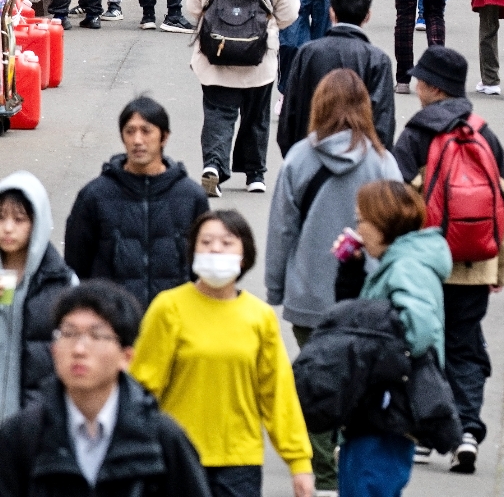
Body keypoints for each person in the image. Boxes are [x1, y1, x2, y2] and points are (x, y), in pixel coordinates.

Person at [266, 70, 401, 494]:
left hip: (310, 294)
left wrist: (275, 286)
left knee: (318, 383)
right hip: (368, 298)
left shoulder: (300, 159)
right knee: (359, 383)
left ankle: (321, 470)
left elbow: (282, 228)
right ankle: (351, 467)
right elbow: (401, 229)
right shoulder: (382, 161)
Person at [131, 210, 313, 497]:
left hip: (239, 462)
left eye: (227, 242)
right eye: (206, 242)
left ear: (245, 254)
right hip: (178, 456)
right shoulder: (168, 308)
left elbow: (277, 393)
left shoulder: (260, 317)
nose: (215, 249)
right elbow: (141, 386)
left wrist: (299, 462)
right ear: (193, 251)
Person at [394, 47, 504, 474]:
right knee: (466, 346)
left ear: (431, 87)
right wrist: (498, 268)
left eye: (419, 80)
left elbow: (396, 205)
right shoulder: (485, 134)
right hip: (474, 263)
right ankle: (466, 431)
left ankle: (426, 434)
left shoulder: (414, 136)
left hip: (425, 266)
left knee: (423, 348)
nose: (415, 86)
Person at [0, 280, 211, 497]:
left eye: (97, 336)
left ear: (126, 357)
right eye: (69, 334)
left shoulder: (162, 439)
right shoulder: (20, 436)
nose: (79, 349)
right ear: (53, 350)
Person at [333, 180, 452, 494]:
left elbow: (419, 329)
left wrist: (371, 361)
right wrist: (352, 271)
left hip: (386, 410)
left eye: (362, 220)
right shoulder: (396, 264)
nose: (358, 229)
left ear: (382, 223)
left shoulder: (406, 267)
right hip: (379, 411)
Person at [185, 0, 300, 197]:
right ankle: (255, 175)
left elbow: (191, 11)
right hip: (259, 59)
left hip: (215, 56)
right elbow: (289, 15)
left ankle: (214, 166)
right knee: (256, 115)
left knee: (218, 113)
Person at [64, 96, 208, 307]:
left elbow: (202, 264)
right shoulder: (95, 196)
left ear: (164, 137)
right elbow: (76, 263)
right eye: (130, 131)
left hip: (174, 321)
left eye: (146, 131)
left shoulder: (190, 196)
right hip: (113, 322)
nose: (137, 140)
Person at [277, 0, 395, 152]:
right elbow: (383, 120)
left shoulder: (308, 53)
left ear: (332, 12)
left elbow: (290, 115)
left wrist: (297, 156)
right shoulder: (378, 59)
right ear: (367, 16)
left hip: (312, 153)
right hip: (361, 159)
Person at [0, 173, 76, 422]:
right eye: (0, 218)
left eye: (19, 219)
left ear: (37, 223)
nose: (8, 228)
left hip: (35, 424)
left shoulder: (63, 283)